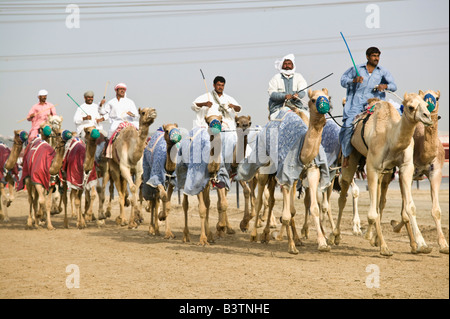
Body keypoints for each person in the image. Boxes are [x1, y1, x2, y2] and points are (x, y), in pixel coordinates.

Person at [339, 46, 397, 167]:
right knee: (348, 126)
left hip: (375, 106)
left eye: (378, 56)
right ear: (367, 57)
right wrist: (354, 80)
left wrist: (384, 86)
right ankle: (346, 155)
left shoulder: (382, 71)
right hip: (356, 106)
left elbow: (393, 85)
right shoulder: (357, 69)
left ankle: (392, 156)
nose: (376, 58)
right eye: (374, 56)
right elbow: (343, 80)